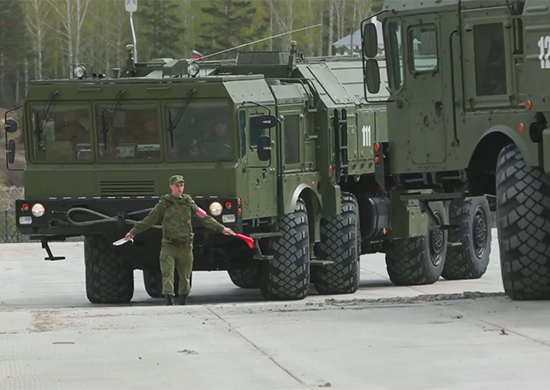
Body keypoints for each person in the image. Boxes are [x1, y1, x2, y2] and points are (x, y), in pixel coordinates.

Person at [125, 175, 235, 305]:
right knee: (167, 273)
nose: (179, 188)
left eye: (181, 185)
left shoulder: (189, 203)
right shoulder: (164, 205)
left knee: (184, 275)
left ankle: (183, 300)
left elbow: (205, 218)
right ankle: (169, 300)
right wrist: (133, 232)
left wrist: (222, 228)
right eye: (176, 185)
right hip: (169, 244)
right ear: (171, 186)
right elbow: (149, 220)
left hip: (185, 245)